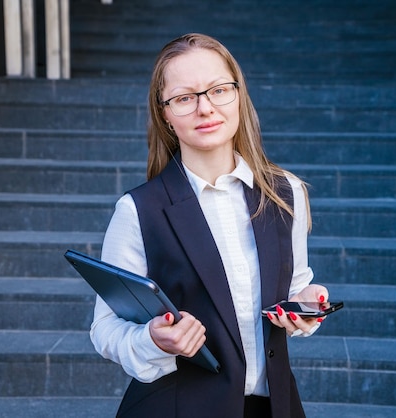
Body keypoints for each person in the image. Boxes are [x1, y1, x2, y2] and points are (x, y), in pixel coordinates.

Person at [90, 33, 329, 418]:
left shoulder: (287, 192)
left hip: (276, 406)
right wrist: (153, 339)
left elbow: (295, 284)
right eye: (185, 97)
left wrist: (306, 303)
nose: (206, 108)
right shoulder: (138, 209)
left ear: (238, 95)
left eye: (218, 90)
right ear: (165, 112)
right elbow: (105, 329)